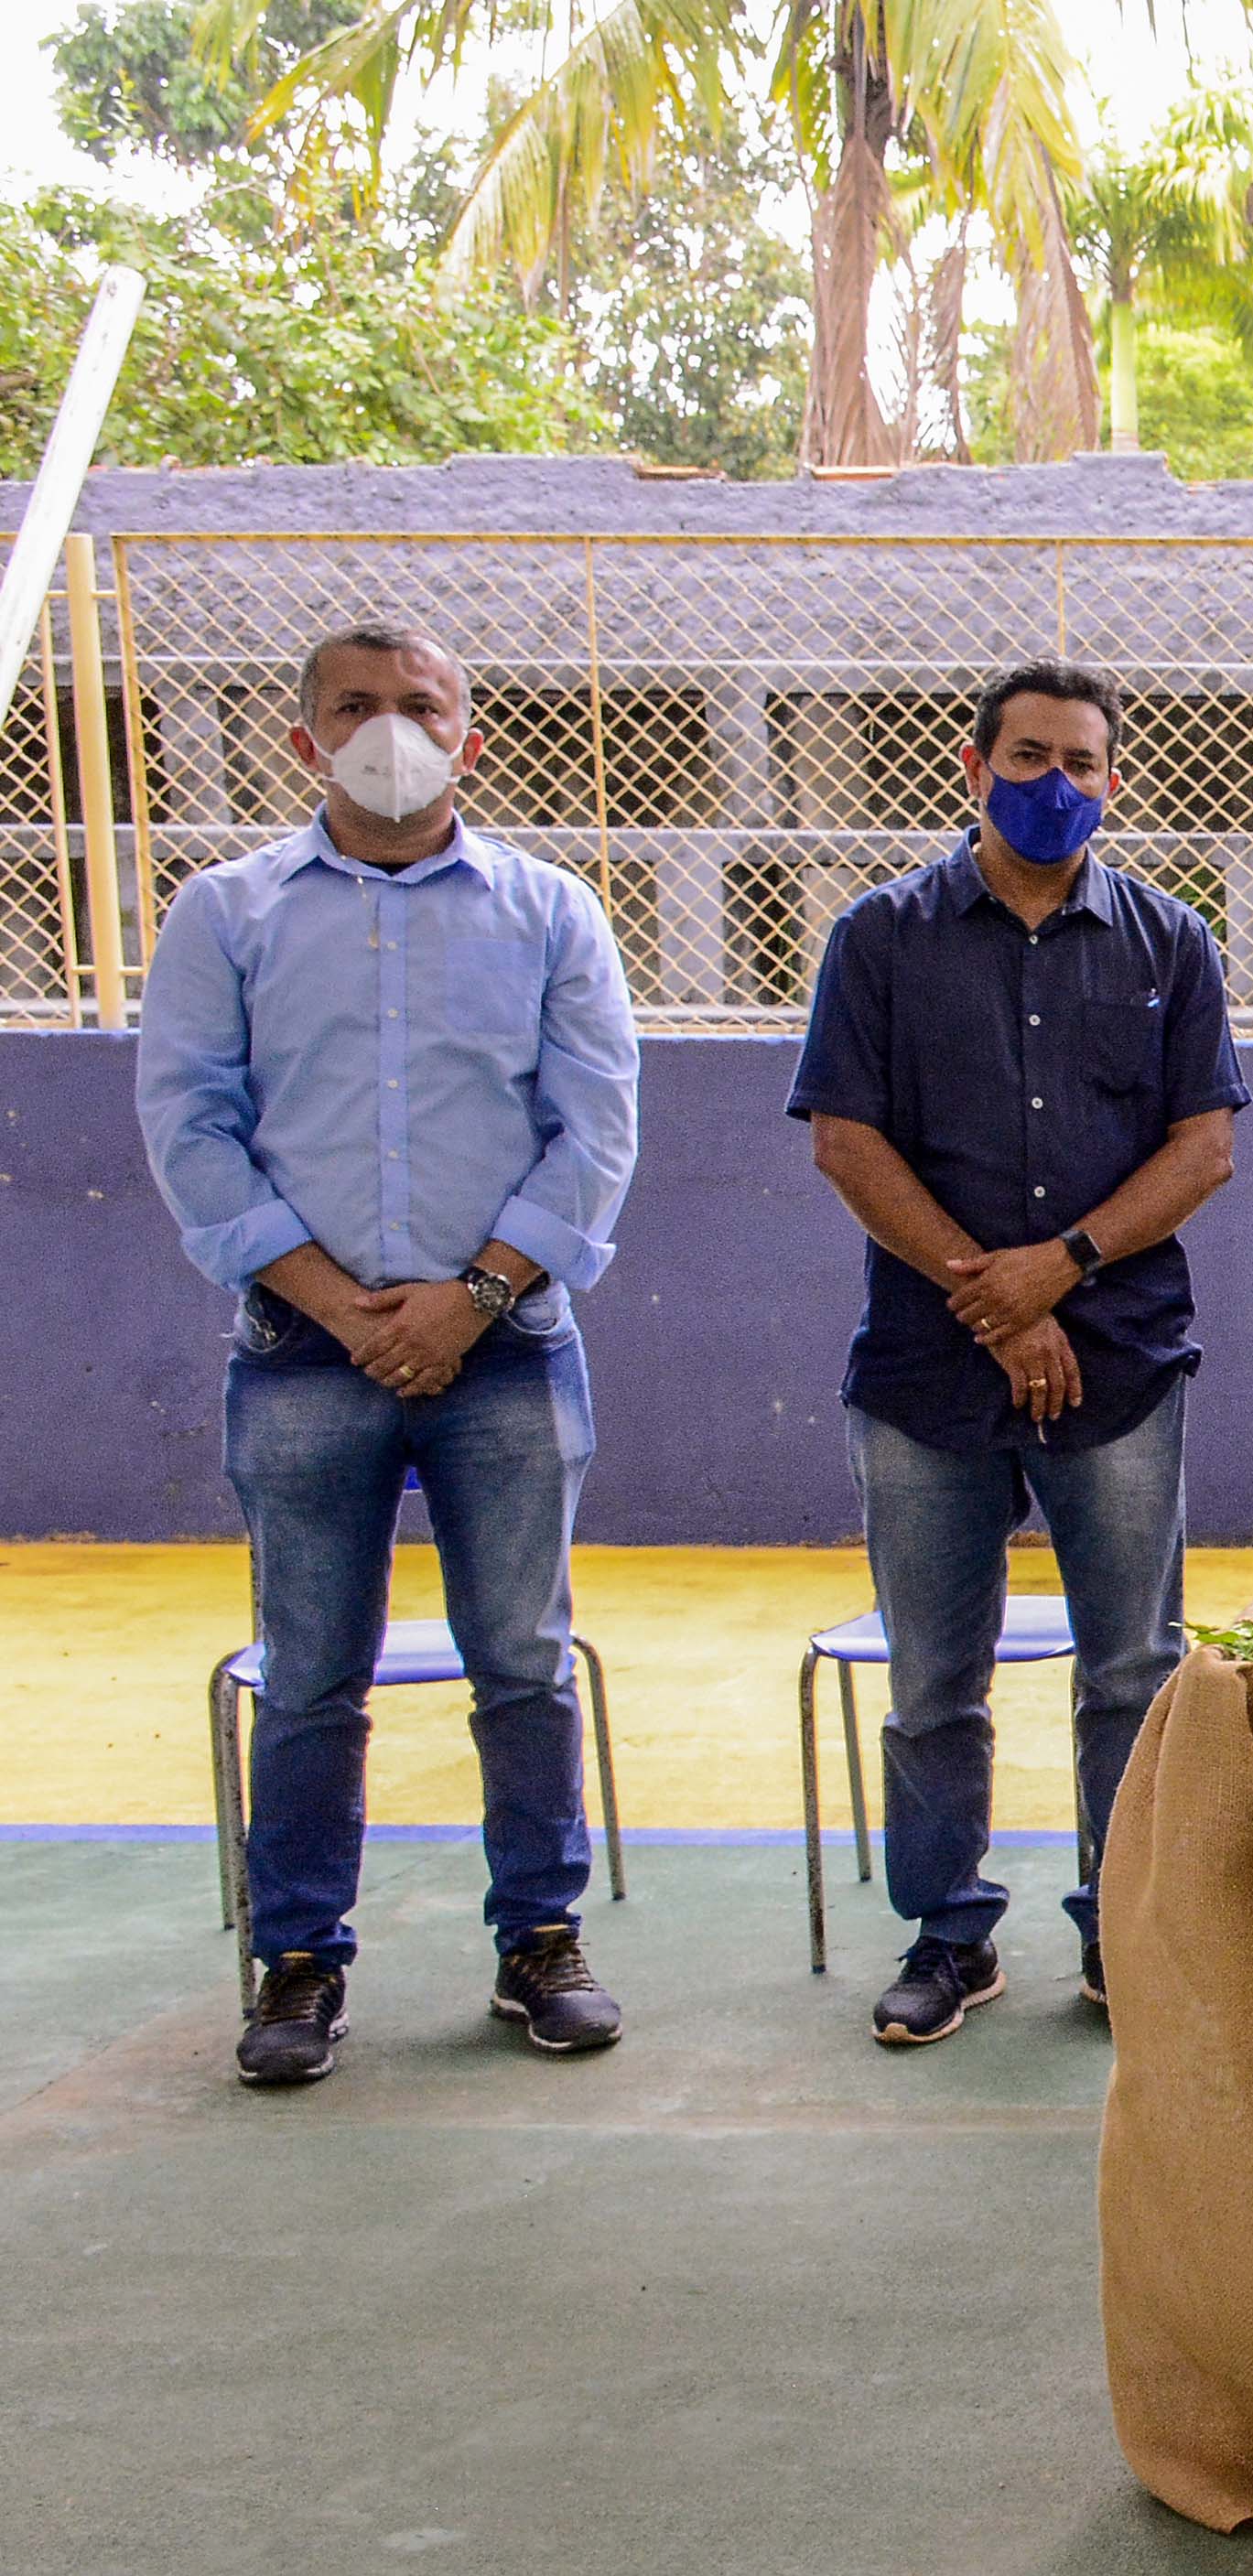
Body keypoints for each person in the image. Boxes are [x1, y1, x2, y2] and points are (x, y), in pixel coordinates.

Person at [135, 621, 641, 2087]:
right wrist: (347, 1305)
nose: (390, 730)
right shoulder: (225, 915)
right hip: (303, 1352)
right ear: (307, 740)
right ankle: (297, 1964)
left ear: (468, 733)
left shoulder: (550, 914)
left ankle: (539, 1941)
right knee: (307, 1675)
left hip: (508, 1348)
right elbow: (191, 1131)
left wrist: (463, 1302)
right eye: (356, 708)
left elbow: (595, 1131)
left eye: (421, 706)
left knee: (523, 1662)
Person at [789, 663, 1245, 2047]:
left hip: (1119, 1363)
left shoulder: (1170, 944)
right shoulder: (881, 938)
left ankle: (1121, 1926)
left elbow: (1205, 1145)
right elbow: (846, 1138)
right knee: (937, 1680)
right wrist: (989, 1296)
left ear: (1117, 777)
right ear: (974, 765)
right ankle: (948, 1935)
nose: (1058, 785)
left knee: (1132, 1669)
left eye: (1085, 762)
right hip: (930, 1373)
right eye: (1032, 757)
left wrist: (1063, 1269)